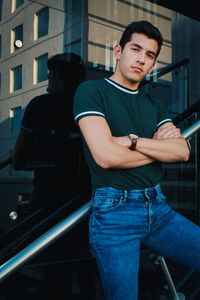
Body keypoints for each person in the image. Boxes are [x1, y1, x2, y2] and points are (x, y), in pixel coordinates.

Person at [73, 20, 200, 300]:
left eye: (150, 55)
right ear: (118, 51)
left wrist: (132, 141)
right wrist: (157, 149)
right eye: (136, 49)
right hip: (114, 214)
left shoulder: (153, 104)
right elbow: (105, 157)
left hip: (159, 209)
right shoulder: (92, 92)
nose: (142, 59)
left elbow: (182, 152)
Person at [13, 52, 86, 210]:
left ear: (58, 75)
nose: (47, 85)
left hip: (47, 192)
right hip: (81, 194)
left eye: (50, 77)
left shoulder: (39, 105)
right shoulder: (90, 107)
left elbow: (18, 160)